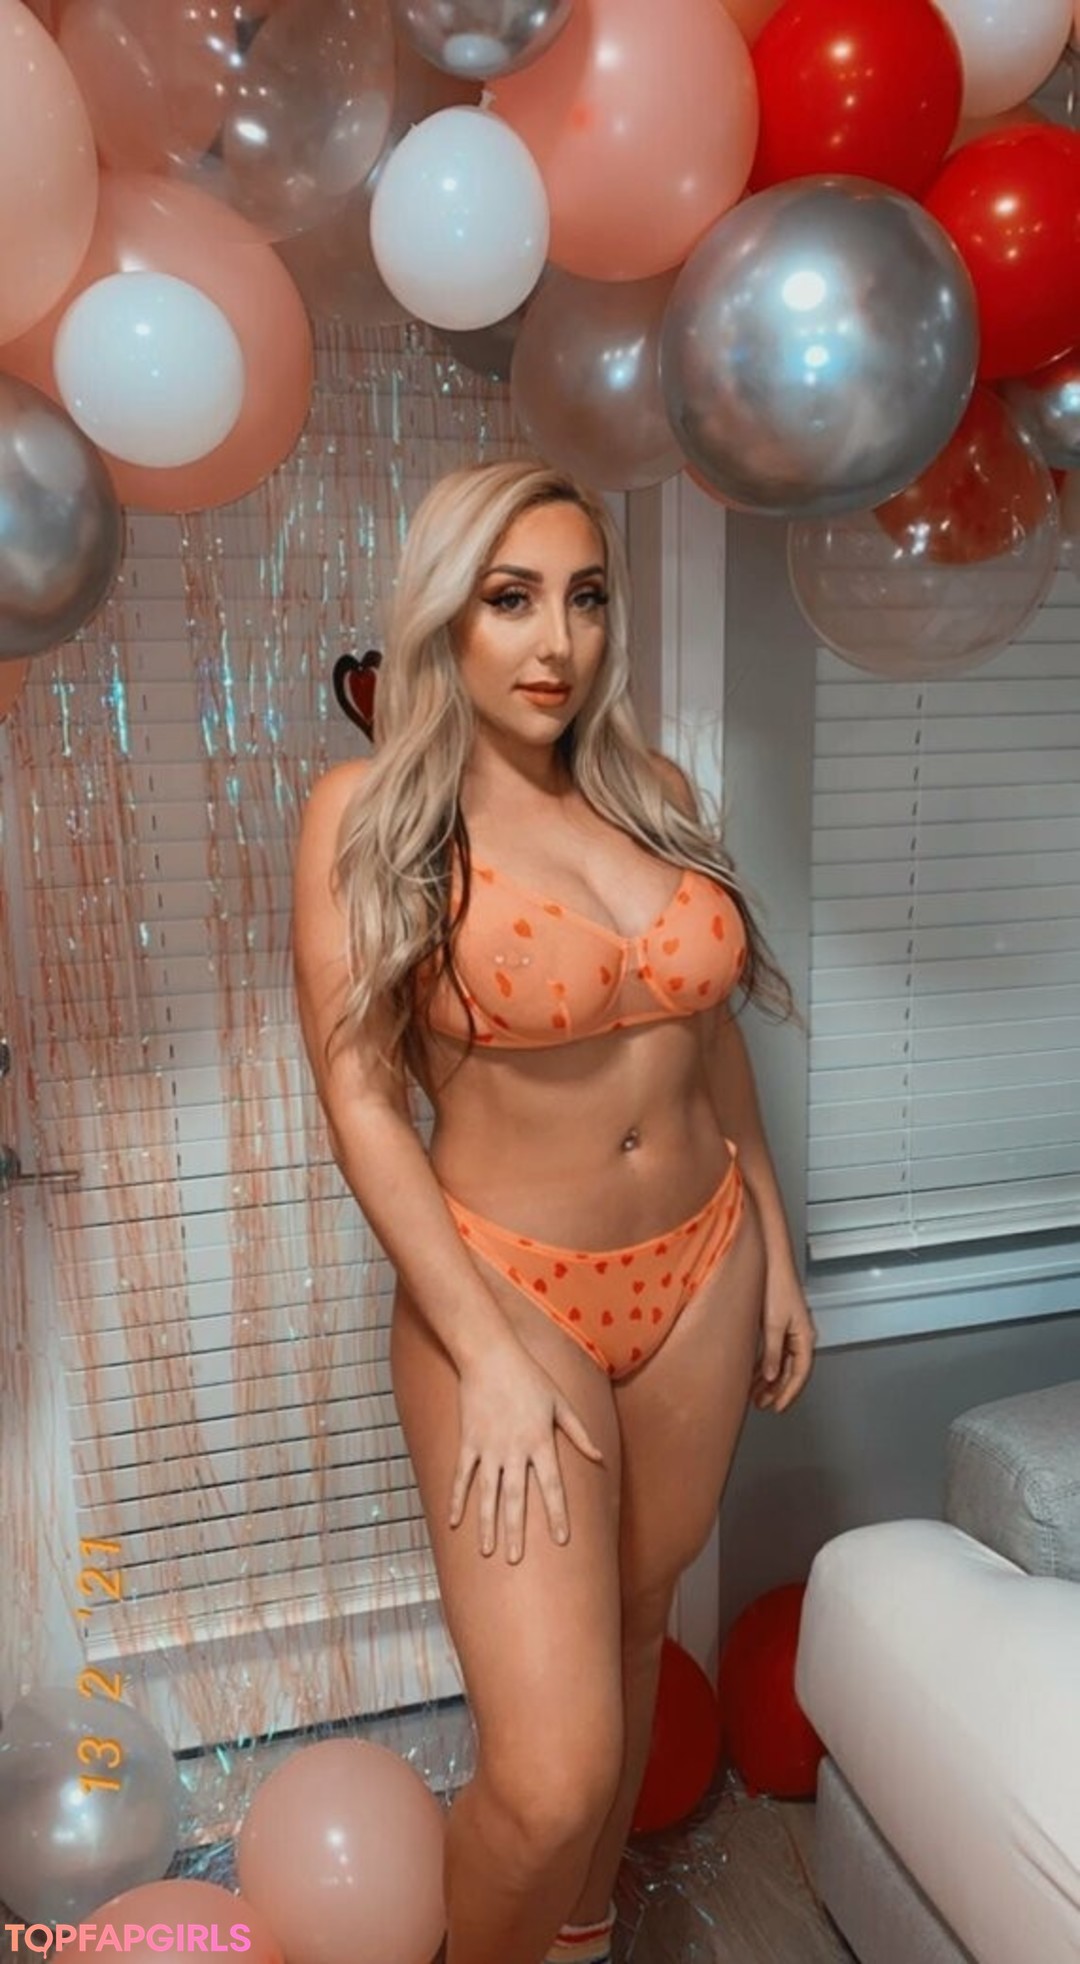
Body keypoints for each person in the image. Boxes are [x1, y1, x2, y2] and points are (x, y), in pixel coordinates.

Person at [292, 459, 817, 1964]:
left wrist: (773, 1243)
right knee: (549, 1775)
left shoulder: (652, 796)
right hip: (509, 1290)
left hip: (703, 1267)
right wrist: (486, 1351)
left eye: (585, 599)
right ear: (443, 615)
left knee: (641, 1629)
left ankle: (581, 1942)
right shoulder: (366, 813)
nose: (557, 642)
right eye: (511, 600)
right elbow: (360, 1104)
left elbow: (708, 1043)